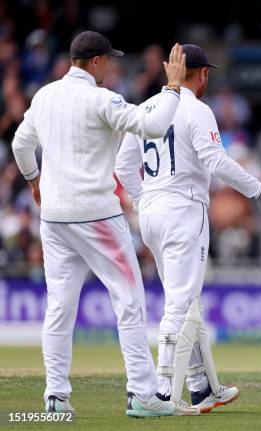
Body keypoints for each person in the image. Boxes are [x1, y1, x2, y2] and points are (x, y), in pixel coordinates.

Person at [114, 44, 261, 413]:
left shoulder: (145, 108)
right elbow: (215, 160)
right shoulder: (197, 109)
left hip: (152, 210)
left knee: (188, 304)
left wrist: (143, 201)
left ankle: (203, 387)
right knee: (181, 303)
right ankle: (161, 394)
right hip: (183, 208)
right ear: (201, 74)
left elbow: (123, 169)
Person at [11, 30, 186, 417]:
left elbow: (20, 145)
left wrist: (34, 181)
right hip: (98, 218)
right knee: (128, 300)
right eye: (107, 60)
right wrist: (173, 87)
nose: (110, 66)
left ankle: (55, 397)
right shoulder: (102, 99)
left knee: (59, 307)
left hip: (54, 218)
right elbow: (153, 126)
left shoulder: (44, 96)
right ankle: (141, 393)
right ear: (94, 62)